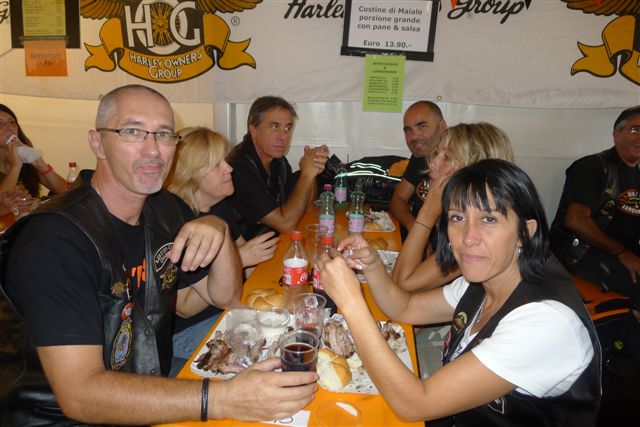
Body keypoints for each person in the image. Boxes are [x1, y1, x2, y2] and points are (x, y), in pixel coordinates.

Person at [0, 85, 316, 426]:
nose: (153, 150)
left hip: (148, 389)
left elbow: (224, 296)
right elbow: (80, 395)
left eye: (164, 135)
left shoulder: (166, 209)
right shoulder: (55, 238)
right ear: (97, 143)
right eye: (133, 131)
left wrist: (220, 230)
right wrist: (225, 398)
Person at [317, 159, 601, 426]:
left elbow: (415, 405)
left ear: (524, 232)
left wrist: (351, 303)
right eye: (457, 217)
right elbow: (404, 308)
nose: (468, 237)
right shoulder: (486, 279)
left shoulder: (546, 321)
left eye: (489, 219)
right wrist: (372, 266)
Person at [166, 127, 279, 372]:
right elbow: (184, 308)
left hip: (224, 311)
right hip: (185, 334)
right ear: (191, 175)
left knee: (283, 323)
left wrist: (271, 291)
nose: (229, 168)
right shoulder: (176, 220)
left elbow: (247, 265)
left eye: (225, 160)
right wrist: (239, 259)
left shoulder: (217, 206)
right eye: (217, 164)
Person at [392, 123, 515, 292]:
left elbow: (402, 284)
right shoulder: (462, 214)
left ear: (476, 168)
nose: (432, 163)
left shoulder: (477, 232)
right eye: (436, 154)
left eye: (447, 157)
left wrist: (427, 214)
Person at [550, 105, 640, 300]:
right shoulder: (593, 166)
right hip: (581, 255)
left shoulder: (636, 172)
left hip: (617, 253)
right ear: (616, 134)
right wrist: (622, 253)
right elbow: (575, 220)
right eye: (635, 129)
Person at [226, 96, 329, 240]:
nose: (283, 137)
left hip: (275, 242)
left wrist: (312, 170)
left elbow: (306, 206)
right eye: (274, 127)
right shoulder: (238, 169)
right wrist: (305, 176)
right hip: (249, 251)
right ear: (253, 129)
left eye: (287, 128)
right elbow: (285, 224)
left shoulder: (277, 160)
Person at [389, 101, 446, 234]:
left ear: (442, 126)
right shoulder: (420, 157)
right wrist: (413, 226)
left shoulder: (460, 163)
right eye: (408, 130)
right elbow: (398, 199)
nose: (414, 137)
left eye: (422, 126)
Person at [0, 104, 67, 213]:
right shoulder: (17, 164)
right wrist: (15, 167)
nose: (10, 128)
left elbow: (67, 192)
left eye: (12, 122)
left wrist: (41, 164)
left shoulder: (25, 159)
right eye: (0, 123)